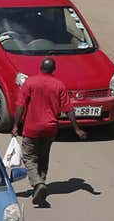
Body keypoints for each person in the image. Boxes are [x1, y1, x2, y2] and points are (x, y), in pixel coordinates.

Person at [12, 57, 86, 208]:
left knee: (29, 157)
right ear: (53, 70)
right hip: (50, 128)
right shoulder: (59, 85)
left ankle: (38, 184)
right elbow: (68, 108)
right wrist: (77, 128)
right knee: (43, 157)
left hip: (32, 128)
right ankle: (41, 186)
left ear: (40, 67)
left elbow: (20, 105)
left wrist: (15, 125)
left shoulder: (30, 82)